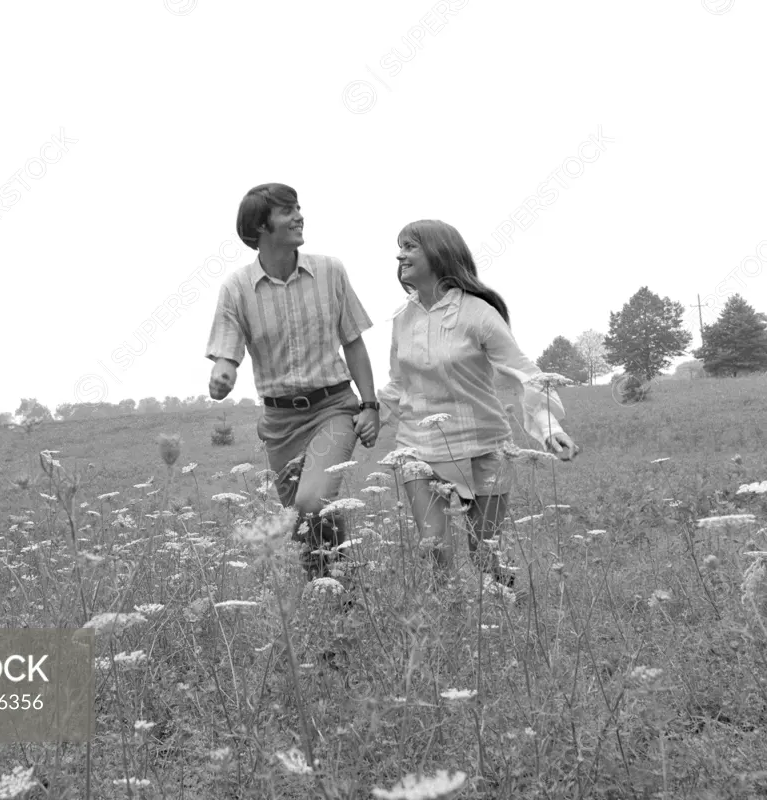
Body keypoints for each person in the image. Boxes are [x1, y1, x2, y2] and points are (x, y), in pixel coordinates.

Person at [377, 219, 580, 587]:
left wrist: (550, 428)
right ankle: (451, 619)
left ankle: (505, 611)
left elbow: (523, 373)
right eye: (400, 246)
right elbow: (397, 382)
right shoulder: (402, 318)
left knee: (486, 553)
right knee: (433, 546)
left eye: (409, 246)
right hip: (418, 448)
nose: (399, 254)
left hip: (482, 448)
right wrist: (370, 416)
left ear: (439, 252)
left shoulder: (478, 313)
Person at [205, 183, 381, 580]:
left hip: (333, 407)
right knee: (302, 528)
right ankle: (336, 599)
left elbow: (352, 341)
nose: (299, 216)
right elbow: (227, 352)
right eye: (288, 211)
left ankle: (342, 596)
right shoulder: (236, 289)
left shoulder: (330, 271)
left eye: (298, 208)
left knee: (314, 503)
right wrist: (222, 373)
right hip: (279, 424)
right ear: (260, 228)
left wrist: (370, 405)